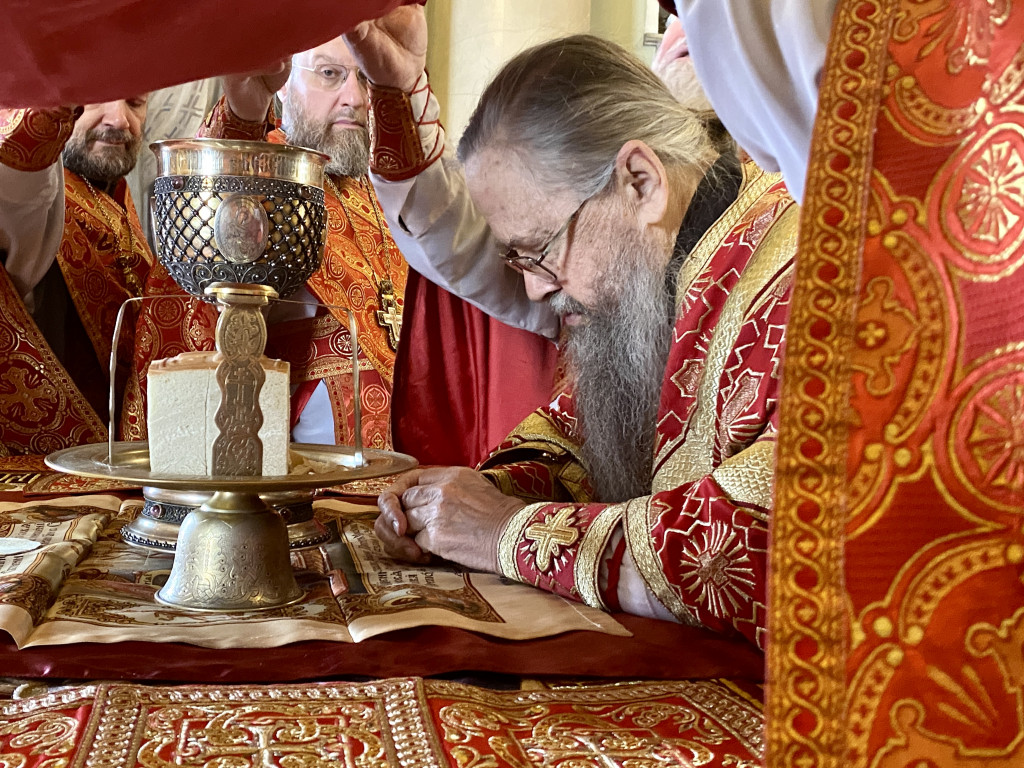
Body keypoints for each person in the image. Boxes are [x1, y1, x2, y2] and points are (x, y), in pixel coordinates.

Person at [370, 33, 799, 650]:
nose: (537, 292)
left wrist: (505, 535)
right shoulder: (666, 259)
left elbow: (763, 548)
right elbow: (581, 430)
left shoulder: (802, 278)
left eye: (538, 250)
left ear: (639, 183)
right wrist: (464, 500)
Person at [127, 34, 557, 464]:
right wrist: (244, 113)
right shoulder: (263, 173)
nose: (355, 98)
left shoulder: (383, 186)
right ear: (283, 82)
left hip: (408, 461)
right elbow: (205, 242)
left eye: (366, 79)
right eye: (330, 75)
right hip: (305, 477)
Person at [0, 98, 154, 454]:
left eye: (135, 102)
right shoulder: (39, 191)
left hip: (120, 474)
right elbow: (21, 183)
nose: (119, 120)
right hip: (39, 475)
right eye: (94, 97)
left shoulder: (115, 195)